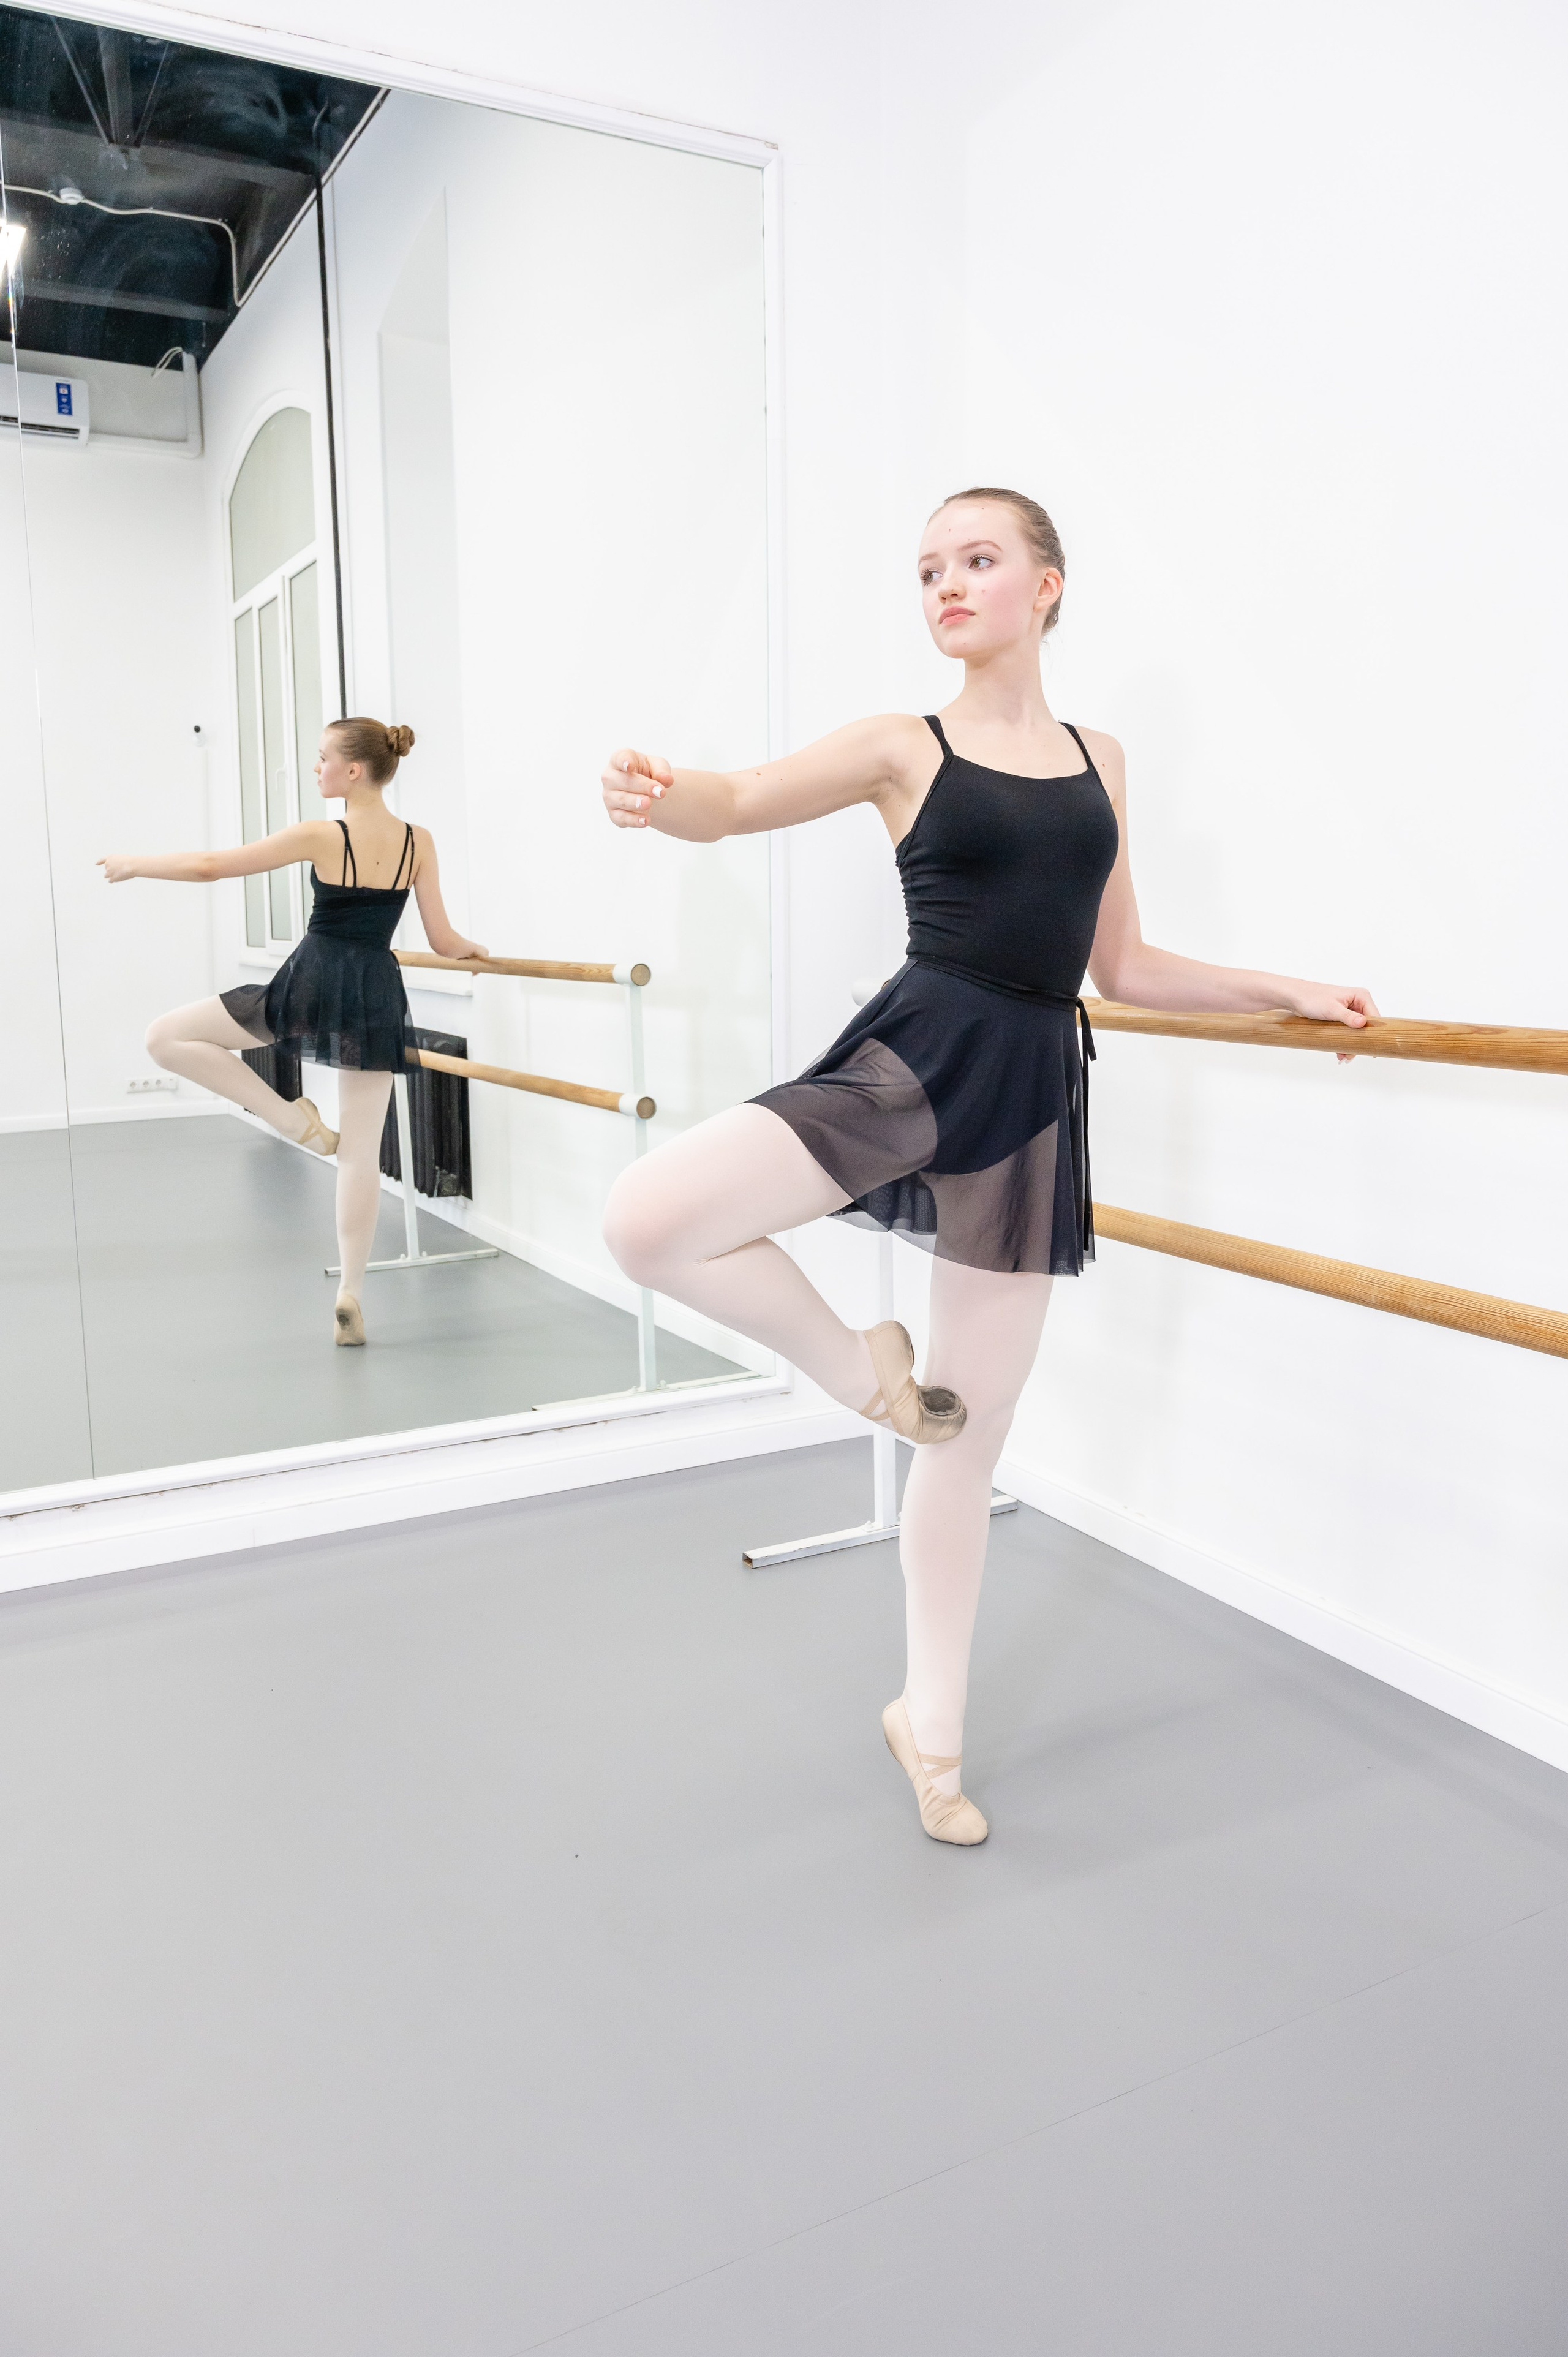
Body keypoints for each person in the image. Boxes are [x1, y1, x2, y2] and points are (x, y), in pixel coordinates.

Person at [599, 487, 1378, 1848]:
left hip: (1028, 1088)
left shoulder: (1100, 758)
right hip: (914, 1050)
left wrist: (1285, 992)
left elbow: (1120, 966)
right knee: (650, 1217)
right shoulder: (902, 742)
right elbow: (735, 802)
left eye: (975, 561)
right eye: (926, 571)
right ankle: (859, 1373)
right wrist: (663, 798)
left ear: (1046, 585)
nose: (945, 586)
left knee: (968, 1437)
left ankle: (933, 1735)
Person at [100, 718, 485, 1348]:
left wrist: (135, 863)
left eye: (323, 757)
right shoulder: (420, 842)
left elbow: (208, 866)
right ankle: (351, 1293)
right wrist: (473, 951)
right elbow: (443, 940)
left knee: (165, 1037)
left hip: (311, 983)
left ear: (353, 770)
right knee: (361, 1153)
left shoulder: (322, 835)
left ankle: (291, 1121)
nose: (317, 768)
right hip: (374, 992)